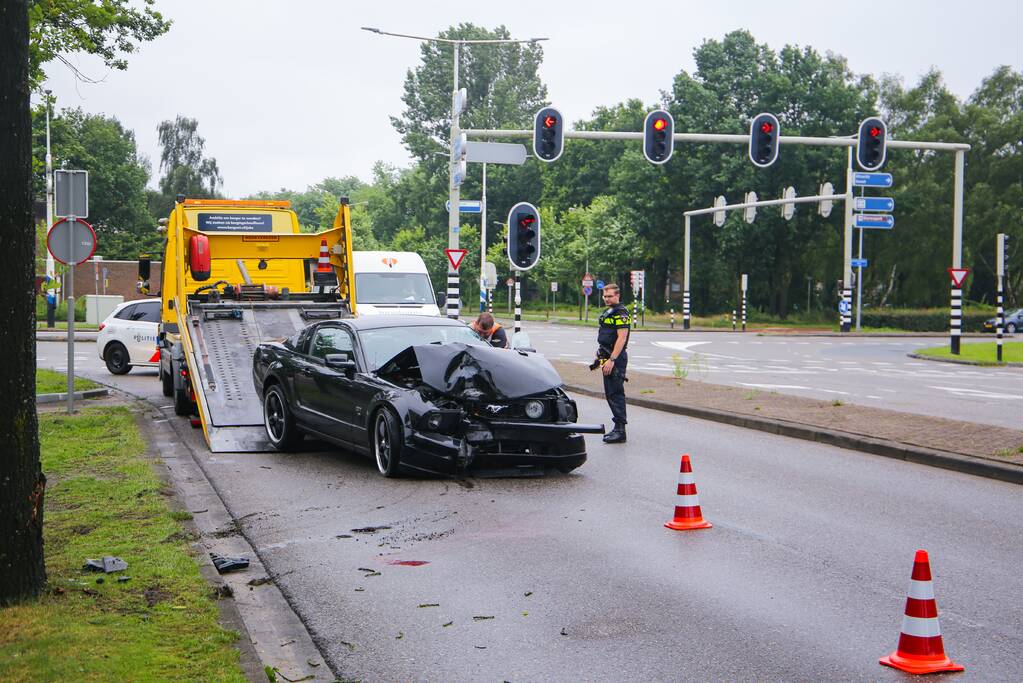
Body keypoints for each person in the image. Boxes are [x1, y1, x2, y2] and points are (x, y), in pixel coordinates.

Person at [593, 283, 630, 443]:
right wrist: (600, 354)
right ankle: (617, 428)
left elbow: (622, 338)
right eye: (605, 296)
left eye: (610, 296)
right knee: (610, 393)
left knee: (615, 393)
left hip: (615, 358)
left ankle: (620, 430)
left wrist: (612, 359)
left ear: (617, 295)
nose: (607, 299)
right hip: (606, 355)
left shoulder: (621, 312)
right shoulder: (609, 311)